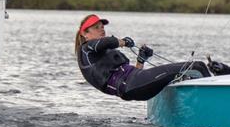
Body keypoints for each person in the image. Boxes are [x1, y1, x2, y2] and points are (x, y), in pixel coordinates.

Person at [75, 13, 210, 101]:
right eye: (96, 27)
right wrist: (123, 41)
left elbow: (133, 74)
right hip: (131, 86)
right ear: (85, 34)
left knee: (186, 75)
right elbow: (109, 42)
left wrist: (141, 60)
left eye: (102, 26)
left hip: (133, 86)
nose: (102, 29)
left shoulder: (101, 50)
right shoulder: (86, 49)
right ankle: (215, 101)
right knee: (197, 66)